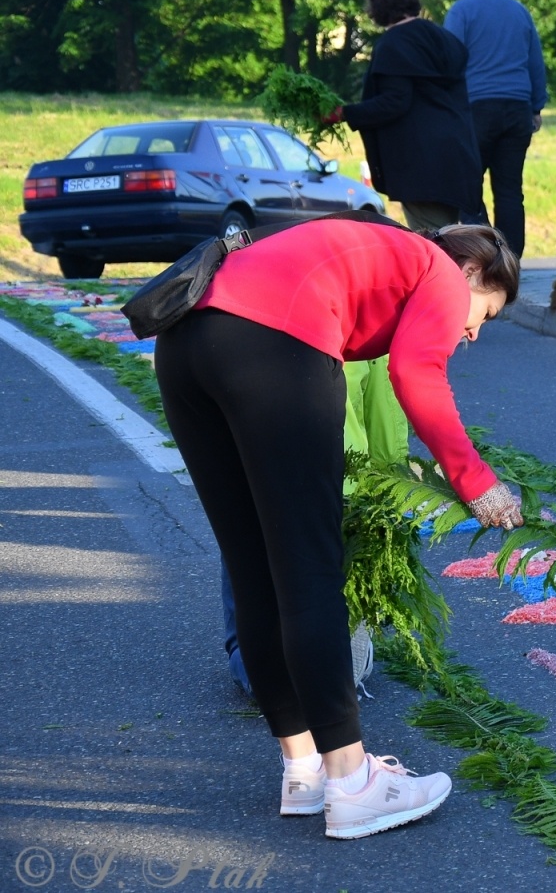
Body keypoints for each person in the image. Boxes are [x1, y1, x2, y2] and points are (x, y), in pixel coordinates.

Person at [156, 218, 526, 837]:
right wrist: (476, 481)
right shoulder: (436, 268)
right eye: (485, 313)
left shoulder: (384, 256)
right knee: (308, 573)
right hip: (274, 346)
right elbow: (418, 373)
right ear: (471, 274)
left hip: (186, 345)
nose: (472, 333)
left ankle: (303, 769)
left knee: (254, 571)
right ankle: (352, 782)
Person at [328, 0, 480, 233]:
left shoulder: (393, 45)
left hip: (421, 164)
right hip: (458, 155)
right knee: (452, 235)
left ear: (377, 7)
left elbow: (394, 102)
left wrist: (344, 113)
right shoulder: (443, 38)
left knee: (433, 242)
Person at [444, 0, 550, 259]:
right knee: (509, 192)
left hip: (475, 111)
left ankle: (483, 254)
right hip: (517, 109)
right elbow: (535, 64)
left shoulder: (460, 12)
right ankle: (511, 261)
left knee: (467, 189)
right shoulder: (519, 11)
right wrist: (536, 106)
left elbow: (450, 63)